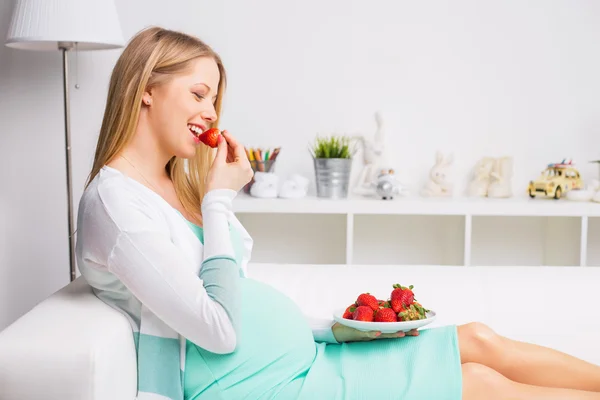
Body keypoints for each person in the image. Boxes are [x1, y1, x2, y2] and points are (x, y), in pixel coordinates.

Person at [75, 26, 600, 400]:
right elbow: (219, 328)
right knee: (483, 386)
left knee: (477, 338)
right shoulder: (115, 203)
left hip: (308, 354)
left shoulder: (169, 186)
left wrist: (335, 328)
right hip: (256, 384)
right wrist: (218, 199)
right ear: (146, 89)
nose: (211, 112)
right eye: (198, 93)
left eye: (214, 99)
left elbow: (233, 290)